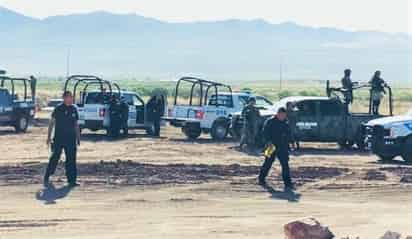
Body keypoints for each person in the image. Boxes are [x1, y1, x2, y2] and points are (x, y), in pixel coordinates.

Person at [44, 91, 81, 187]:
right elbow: (51, 123)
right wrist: (48, 137)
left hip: (71, 139)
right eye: (69, 97)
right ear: (64, 98)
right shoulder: (58, 109)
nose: (70, 99)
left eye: (71, 97)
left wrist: (78, 137)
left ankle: (72, 181)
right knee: (55, 157)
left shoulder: (74, 109)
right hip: (59, 139)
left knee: (71, 160)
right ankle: (47, 177)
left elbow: (76, 124)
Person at [258, 107, 293, 189]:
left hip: (283, 147)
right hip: (271, 146)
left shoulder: (286, 122)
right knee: (267, 163)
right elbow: (264, 132)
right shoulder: (270, 121)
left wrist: (292, 142)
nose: (283, 116)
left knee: (285, 164)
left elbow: (289, 133)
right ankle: (261, 179)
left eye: (284, 115)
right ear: (278, 114)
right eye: (281, 115)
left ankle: (288, 183)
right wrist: (268, 141)